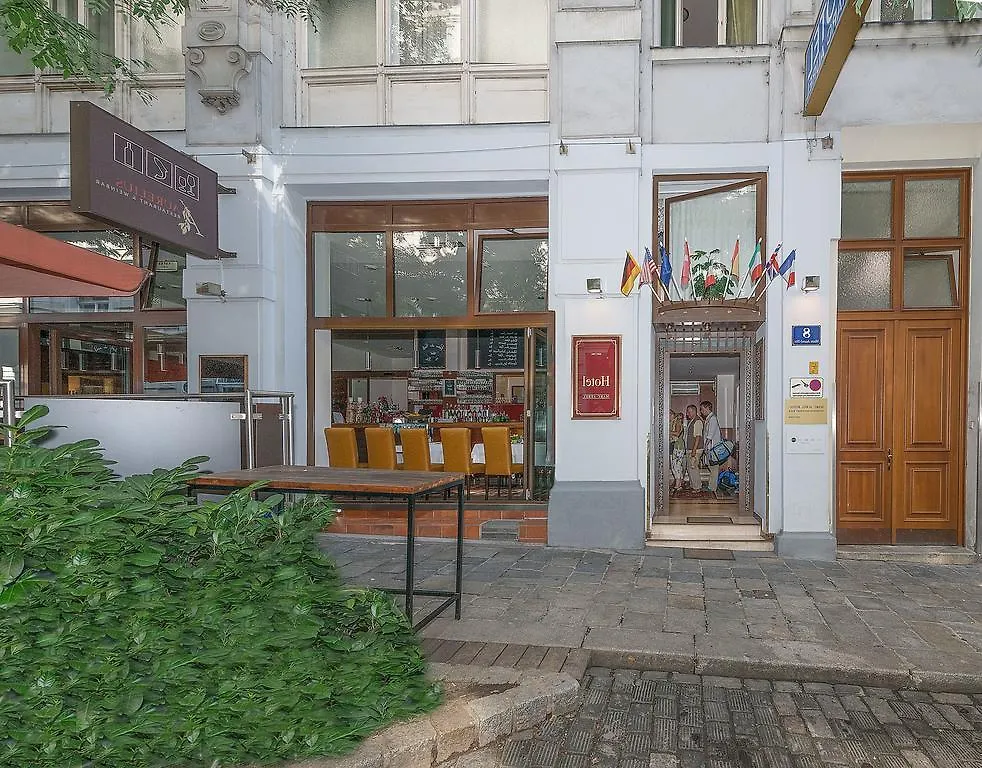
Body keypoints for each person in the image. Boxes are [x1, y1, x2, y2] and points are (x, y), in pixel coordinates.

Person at [699, 400, 723, 494]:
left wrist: (705, 446)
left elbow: (710, 435)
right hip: (710, 447)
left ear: (707, 408)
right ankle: (711, 485)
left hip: (712, 448)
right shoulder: (709, 418)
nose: (701, 411)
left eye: (702, 409)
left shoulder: (712, 419)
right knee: (711, 466)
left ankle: (712, 487)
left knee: (714, 467)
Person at [684, 404, 702, 492]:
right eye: (687, 412)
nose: (687, 414)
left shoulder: (697, 421)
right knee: (690, 468)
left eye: (689, 412)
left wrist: (694, 450)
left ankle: (697, 487)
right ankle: (693, 485)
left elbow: (698, 437)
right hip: (690, 449)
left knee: (693, 467)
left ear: (694, 411)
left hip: (695, 449)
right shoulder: (691, 421)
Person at [669, 410, 686, 493]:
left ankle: (678, 485)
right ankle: (679, 482)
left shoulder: (677, 421)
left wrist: (667, 431)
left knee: (677, 466)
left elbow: (677, 433)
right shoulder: (672, 422)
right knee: (674, 466)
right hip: (673, 445)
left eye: (669, 415)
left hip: (678, 446)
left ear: (671, 414)